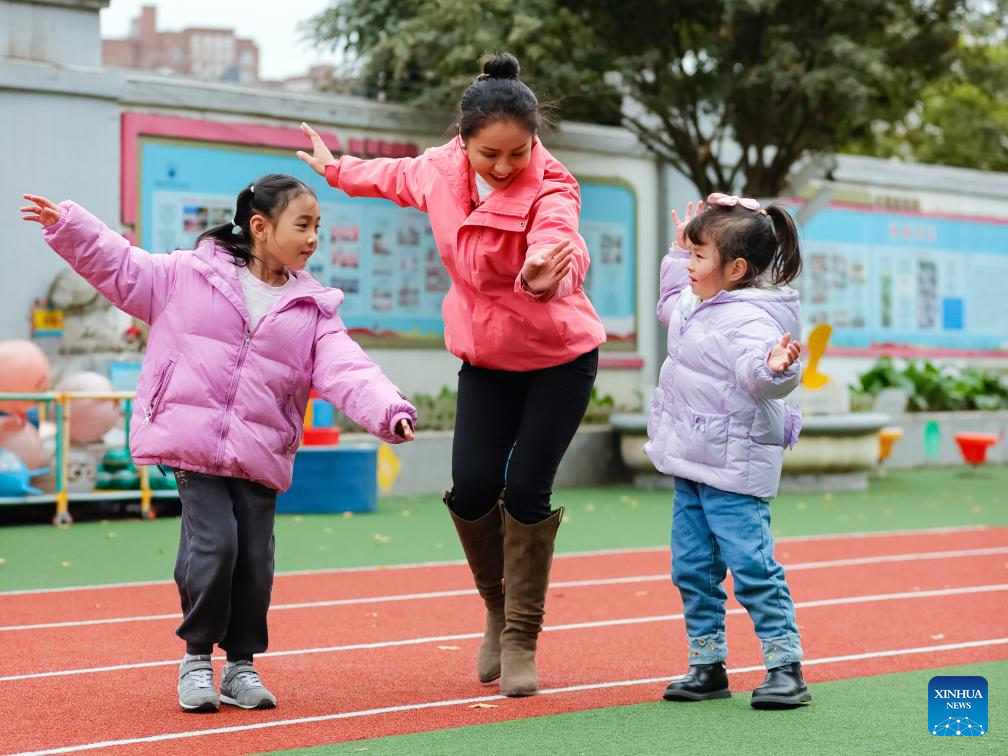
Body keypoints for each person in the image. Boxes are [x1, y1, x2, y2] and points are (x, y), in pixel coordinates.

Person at [21, 175, 416, 713]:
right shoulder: (186, 274)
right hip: (192, 444)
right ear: (259, 227)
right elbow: (122, 265)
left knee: (255, 559)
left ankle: (242, 666)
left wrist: (389, 410)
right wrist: (70, 225)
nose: (313, 238)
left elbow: (349, 369)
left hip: (259, 450)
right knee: (216, 545)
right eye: (303, 225)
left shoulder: (313, 308)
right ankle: (197, 658)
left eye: (317, 227)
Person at [297, 52, 606, 697]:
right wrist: (335, 171)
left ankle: (521, 636)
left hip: (558, 358)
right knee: (470, 488)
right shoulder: (438, 171)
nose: (503, 166)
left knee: (525, 488)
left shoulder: (554, 185)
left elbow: (563, 240)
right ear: (461, 141)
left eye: (517, 153)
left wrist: (554, 270)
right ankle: (496, 608)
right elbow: (389, 176)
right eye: (489, 153)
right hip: (487, 358)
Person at [647, 194, 811, 709]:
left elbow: (757, 376)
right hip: (693, 461)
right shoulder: (701, 303)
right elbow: (669, 306)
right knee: (692, 568)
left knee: (753, 567)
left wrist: (777, 366)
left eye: (699, 257)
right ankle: (707, 664)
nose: (690, 266)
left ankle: (786, 668)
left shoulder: (752, 320)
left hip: (735, 467)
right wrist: (679, 257)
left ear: (736, 268)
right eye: (690, 256)